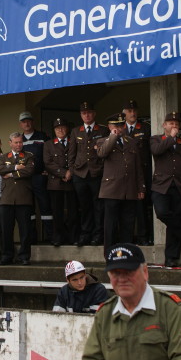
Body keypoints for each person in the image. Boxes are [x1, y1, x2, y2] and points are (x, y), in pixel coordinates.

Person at [82, 243, 181, 360]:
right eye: (116, 273)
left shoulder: (169, 308)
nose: (122, 279)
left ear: (145, 272)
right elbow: (91, 358)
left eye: (128, 272)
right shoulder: (105, 314)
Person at [150, 112, 181, 267]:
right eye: (171, 123)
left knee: (175, 218)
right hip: (161, 185)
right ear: (164, 125)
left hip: (180, 186)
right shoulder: (156, 139)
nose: (174, 126)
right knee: (162, 213)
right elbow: (156, 151)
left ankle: (171, 257)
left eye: (176, 124)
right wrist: (171, 138)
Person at [97, 114, 145, 250]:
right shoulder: (102, 141)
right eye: (115, 126)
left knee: (128, 224)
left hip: (129, 189)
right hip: (111, 190)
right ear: (109, 127)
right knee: (110, 225)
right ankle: (109, 254)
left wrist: (141, 188)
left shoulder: (131, 142)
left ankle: (125, 253)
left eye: (120, 126)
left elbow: (138, 167)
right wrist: (113, 137)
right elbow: (102, 153)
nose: (118, 128)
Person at [69, 101, 109, 247]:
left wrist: (102, 170)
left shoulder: (102, 130)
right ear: (81, 115)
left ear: (94, 114)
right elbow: (71, 154)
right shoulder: (76, 131)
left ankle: (98, 235)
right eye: (84, 113)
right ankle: (85, 234)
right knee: (84, 206)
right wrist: (72, 171)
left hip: (96, 173)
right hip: (80, 174)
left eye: (89, 113)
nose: (87, 115)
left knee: (98, 206)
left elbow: (106, 153)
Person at [0, 132, 35, 265]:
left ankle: (24, 256)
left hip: (23, 198)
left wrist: (11, 174)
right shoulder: (4, 156)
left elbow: (29, 170)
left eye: (20, 142)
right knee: (5, 230)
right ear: (10, 143)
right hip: (7, 198)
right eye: (16, 142)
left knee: (25, 230)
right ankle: (7, 255)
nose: (19, 145)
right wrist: (16, 167)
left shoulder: (28, 156)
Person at [19, 111, 52, 244]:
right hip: (25, 179)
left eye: (28, 121)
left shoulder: (42, 136)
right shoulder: (19, 139)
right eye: (24, 121)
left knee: (45, 206)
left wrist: (48, 170)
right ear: (20, 124)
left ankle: (50, 237)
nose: (26, 123)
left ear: (32, 122)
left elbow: (50, 154)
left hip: (40, 177)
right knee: (29, 209)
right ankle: (32, 238)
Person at [123, 99, 153, 246]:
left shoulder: (146, 128)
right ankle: (127, 239)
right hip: (125, 175)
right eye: (129, 111)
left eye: (134, 110)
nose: (133, 113)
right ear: (124, 113)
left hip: (143, 172)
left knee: (142, 207)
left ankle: (143, 237)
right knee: (126, 208)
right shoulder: (120, 129)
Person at [44, 117, 77, 246]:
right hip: (55, 183)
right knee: (57, 212)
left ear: (67, 129)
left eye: (62, 127)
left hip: (71, 182)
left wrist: (70, 172)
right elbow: (48, 163)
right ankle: (58, 237)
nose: (60, 130)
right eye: (57, 128)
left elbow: (78, 158)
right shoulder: (48, 144)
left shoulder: (73, 141)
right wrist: (63, 173)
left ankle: (73, 237)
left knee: (73, 212)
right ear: (54, 130)